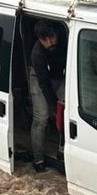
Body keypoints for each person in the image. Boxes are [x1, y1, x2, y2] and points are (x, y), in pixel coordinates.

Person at [29, 20, 66, 173]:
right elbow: (44, 84)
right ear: (39, 39)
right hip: (39, 78)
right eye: (45, 40)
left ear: (56, 34)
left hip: (61, 75)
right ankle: (38, 159)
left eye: (51, 37)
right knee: (41, 117)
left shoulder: (65, 38)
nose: (50, 42)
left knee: (66, 113)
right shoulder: (37, 54)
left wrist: (60, 107)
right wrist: (53, 107)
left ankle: (62, 150)